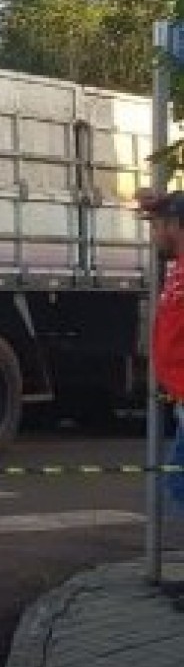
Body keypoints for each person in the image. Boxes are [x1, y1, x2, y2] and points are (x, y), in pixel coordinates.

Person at [142, 190, 184, 516]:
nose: (153, 235)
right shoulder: (178, 267)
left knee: (178, 482)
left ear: (174, 225)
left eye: (156, 226)